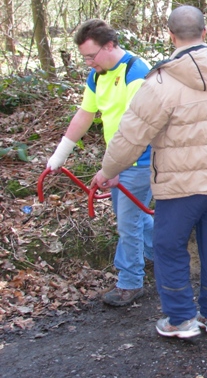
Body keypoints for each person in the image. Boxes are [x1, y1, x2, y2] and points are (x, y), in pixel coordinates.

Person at [91, 5, 207, 339]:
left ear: (170, 35)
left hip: (179, 185)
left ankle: (181, 319)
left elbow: (131, 136)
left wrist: (109, 170)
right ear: (205, 32)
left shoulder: (159, 82)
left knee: (168, 246)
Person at [46, 19, 153, 307]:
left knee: (128, 222)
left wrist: (113, 169)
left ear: (110, 46)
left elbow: (136, 128)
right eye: (84, 58)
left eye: (91, 56)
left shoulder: (136, 71)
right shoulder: (98, 75)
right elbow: (84, 114)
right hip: (118, 159)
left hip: (140, 159)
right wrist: (59, 156)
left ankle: (130, 283)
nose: (88, 62)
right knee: (136, 216)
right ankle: (166, 252)